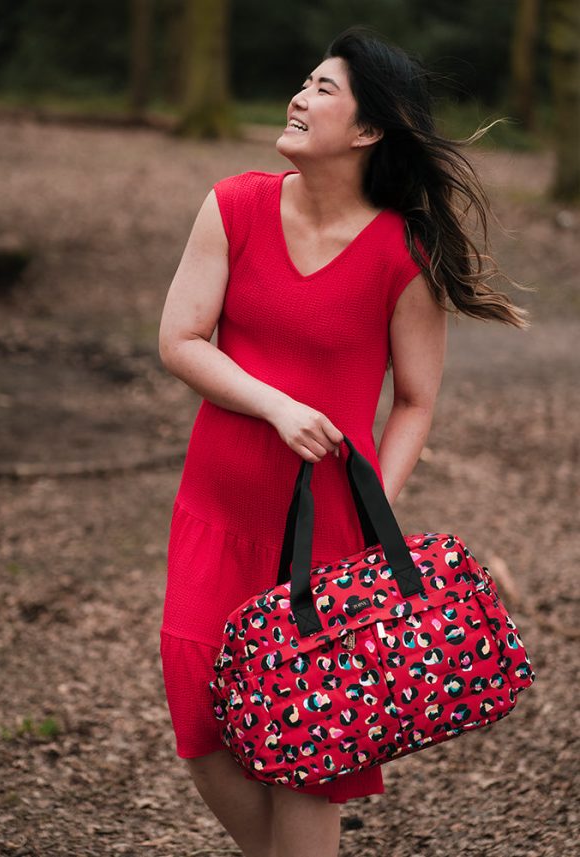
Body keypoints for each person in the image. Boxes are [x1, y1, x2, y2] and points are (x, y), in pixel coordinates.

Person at [157, 25, 531, 857]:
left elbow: (416, 400)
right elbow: (180, 339)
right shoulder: (234, 205)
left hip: (326, 537)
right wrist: (276, 406)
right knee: (203, 732)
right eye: (304, 82)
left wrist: (373, 510)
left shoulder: (403, 254)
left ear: (367, 131)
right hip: (214, 510)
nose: (299, 97)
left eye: (324, 89)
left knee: (312, 756)